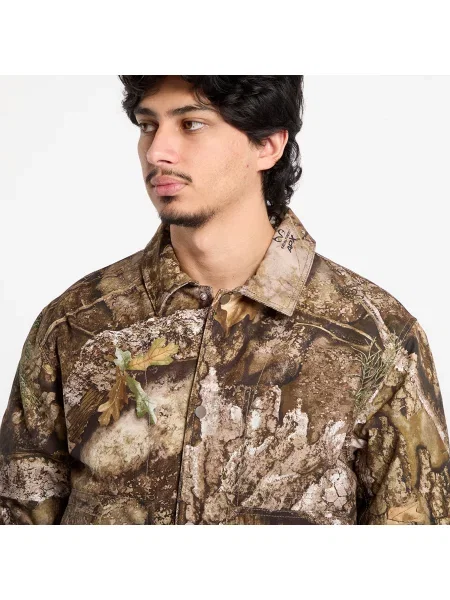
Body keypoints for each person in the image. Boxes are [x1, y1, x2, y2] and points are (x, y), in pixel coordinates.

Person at [0, 76, 448, 525]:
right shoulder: (75, 325)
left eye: (191, 124)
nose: (157, 152)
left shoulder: (376, 337)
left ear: (267, 145)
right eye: (148, 125)